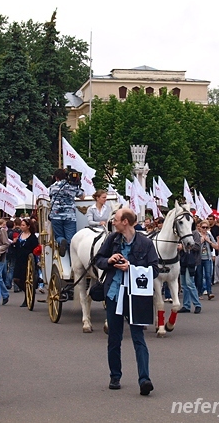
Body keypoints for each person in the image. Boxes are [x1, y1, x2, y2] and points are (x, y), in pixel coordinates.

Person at [94, 208, 158, 396]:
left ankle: (144, 379)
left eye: (116, 219)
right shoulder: (113, 239)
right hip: (114, 294)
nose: (113, 222)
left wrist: (132, 268)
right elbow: (98, 260)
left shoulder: (145, 243)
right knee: (114, 337)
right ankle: (115, 376)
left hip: (136, 296)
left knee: (138, 337)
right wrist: (110, 260)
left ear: (126, 222)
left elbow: (154, 269)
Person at [49, 168, 84, 257]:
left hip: (56, 216)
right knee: (71, 240)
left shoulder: (53, 187)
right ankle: (72, 261)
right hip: (69, 216)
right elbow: (82, 197)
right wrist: (78, 184)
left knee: (58, 236)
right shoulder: (71, 186)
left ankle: (61, 241)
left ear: (56, 177)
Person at [11, 219, 39, 307]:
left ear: (28, 226)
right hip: (19, 259)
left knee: (25, 279)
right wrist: (14, 243)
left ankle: (27, 297)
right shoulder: (20, 235)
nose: (21, 227)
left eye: (23, 225)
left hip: (28, 260)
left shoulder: (32, 237)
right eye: (21, 225)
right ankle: (27, 292)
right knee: (16, 279)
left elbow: (35, 248)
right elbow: (16, 247)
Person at [177, 222, 202, 314]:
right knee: (184, 284)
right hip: (183, 260)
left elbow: (197, 246)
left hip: (192, 261)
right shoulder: (181, 233)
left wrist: (183, 246)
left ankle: (197, 304)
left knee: (189, 282)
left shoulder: (195, 233)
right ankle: (186, 305)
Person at [196, 220, 219, 299]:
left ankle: (209, 292)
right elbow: (194, 246)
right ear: (200, 228)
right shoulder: (197, 235)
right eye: (203, 227)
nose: (205, 229)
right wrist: (201, 241)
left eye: (206, 227)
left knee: (208, 275)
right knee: (199, 276)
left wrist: (209, 241)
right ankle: (200, 293)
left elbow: (216, 246)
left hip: (207, 258)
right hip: (199, 258)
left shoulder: (209, 235)